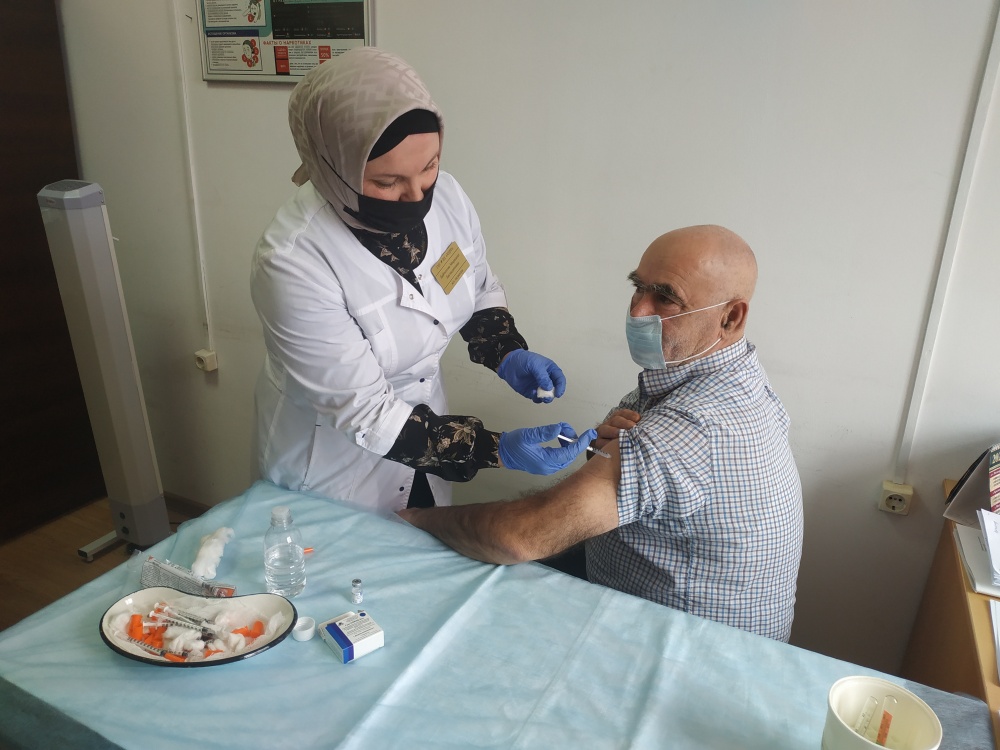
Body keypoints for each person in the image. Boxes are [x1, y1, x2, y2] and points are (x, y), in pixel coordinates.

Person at [399, 225, 804, 642]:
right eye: (638, 287)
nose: (638, 311)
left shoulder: (688, 429)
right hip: (657, 597)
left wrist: (416, 518)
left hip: (685, 649)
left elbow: (520, 537)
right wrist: (601, 455)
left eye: (665, 298)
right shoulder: (739, 379)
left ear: (731, 317)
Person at [251, 47, 594, 515]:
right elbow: (366, 412)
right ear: (335, 167)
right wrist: (495, 449)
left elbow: (474, 283)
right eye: (387, 182)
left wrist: (504, 349)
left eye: (429, 166)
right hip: (333, 466)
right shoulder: (293, 262)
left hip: (423, 445)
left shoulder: (447, 196)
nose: (417, 196)